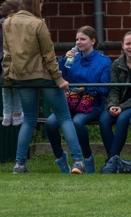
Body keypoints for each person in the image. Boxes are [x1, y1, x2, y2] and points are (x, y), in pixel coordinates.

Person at [2, 0, 84, 174]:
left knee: (29, 120)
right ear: (35, 4)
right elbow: (49, 55)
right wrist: (59, 79)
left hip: (21, 77)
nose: (42, 7)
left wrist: (8, 77)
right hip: (44, 76)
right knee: (64, 117)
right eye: (40, 3)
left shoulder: (8, 22)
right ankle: (79, 161)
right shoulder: (38, 24)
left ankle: (19, 164)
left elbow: (7, 54)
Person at [46, 26, 111, 174]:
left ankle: (87, 159)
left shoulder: (104, 61)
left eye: (83, 39)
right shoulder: (72, 58)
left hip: (92, 103)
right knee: (50, 123)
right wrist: (63, 61)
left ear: (92, 41)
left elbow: (105, 88)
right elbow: (59, 76)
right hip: (70, 101)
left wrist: (86, 89)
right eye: (77, 39)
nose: (78, 42)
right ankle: (60, 158)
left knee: (77, 122)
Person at [99, 31, 131, 169]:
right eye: (128, 43)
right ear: (122, 46)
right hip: (118, 103)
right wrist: (112, 105)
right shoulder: (116, 64)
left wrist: (122, 107)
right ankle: (114, 159)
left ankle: (112, 160)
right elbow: (114, 89)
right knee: (104, 119)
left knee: (123, 119)